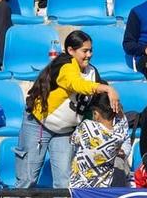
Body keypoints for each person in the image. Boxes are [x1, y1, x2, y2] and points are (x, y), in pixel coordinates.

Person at [18, 30, 118, 189]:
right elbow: (76, 84)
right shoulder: (65, 64)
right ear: (71, 51)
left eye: (91, 50)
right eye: (84, 51)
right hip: (39, 124)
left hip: (64, 131)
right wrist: (105, 88)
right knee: (27, 179)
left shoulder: (92, 72)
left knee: (64, 182)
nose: (89, 54)